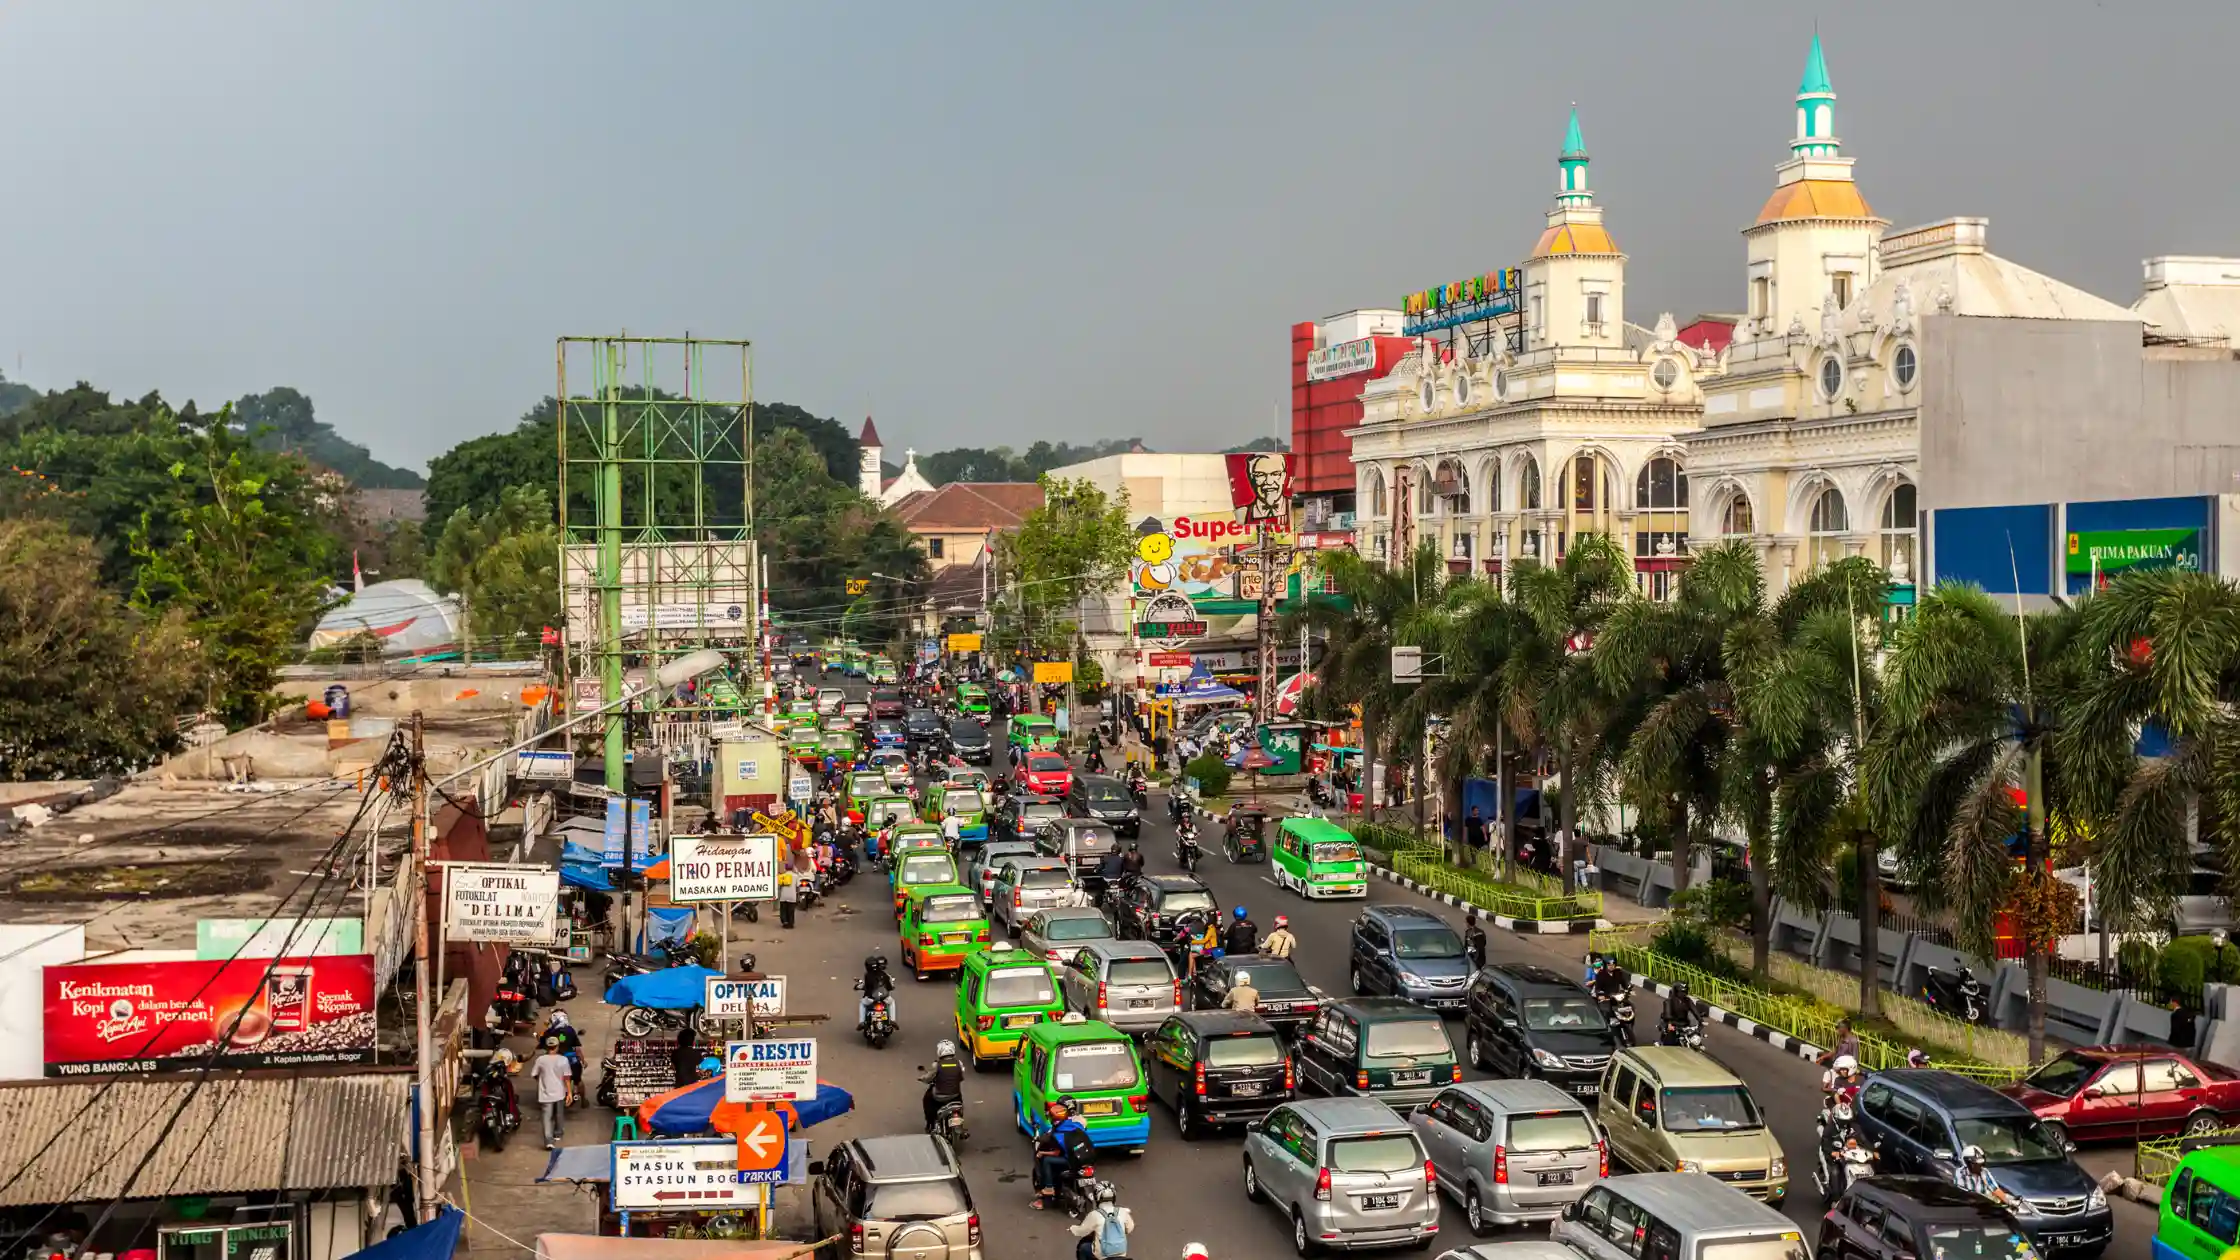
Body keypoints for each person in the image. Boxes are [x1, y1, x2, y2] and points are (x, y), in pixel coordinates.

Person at [1069, 1182, 1134, 1260]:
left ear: (1097, 1198)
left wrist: (1073, 1228)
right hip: (1121, 1253)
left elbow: (1082, 1231)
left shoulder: (1094, 1214)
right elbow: (1130, 1228)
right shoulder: (1122, 1212)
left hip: (1102, 1255)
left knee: (1083, 1248)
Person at [528, 1037, 573, 1150]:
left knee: (546, 1116)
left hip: (545, 1093)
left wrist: (541, 1081)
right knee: (559, 1114)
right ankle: (558, 1133)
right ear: (557, 1047)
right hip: (559, 1092)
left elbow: (534, 1074)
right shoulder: (563, 1060)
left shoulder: (540, 1060)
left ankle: (548, 1140)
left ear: (547, 1047)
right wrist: (569, 1093)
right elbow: (567, 1078)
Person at [920, 1040, 965, 1131]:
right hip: (955, 1096)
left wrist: (922, 1078)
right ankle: (959, 1119)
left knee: (927, 1099)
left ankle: (930, 1124)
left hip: (939, 1097)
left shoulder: (937, 1065)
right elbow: (961, 1078)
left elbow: (929, 1078)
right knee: (960, 1100)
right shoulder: (959, 1063)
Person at [1952, 1145, 2017, 1207]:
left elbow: (1994, 1189)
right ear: (1967, 1163)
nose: (1979, 1166)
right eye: (1975, 1164)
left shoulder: (1984, 1172)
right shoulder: (1960, 1173)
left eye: (1980, 1164)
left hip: (1986, 1204)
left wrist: (2008, 1202)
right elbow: (1961, 1192)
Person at [858, 954, 895, 1029]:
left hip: (870, 998)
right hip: (884, 998)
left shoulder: (867, 975)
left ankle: (861, 1022)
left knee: (862, 1004)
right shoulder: (884, 974)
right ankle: (892, 1020)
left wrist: (857, 987)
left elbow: (865, 986)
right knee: (892, 1002)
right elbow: (889, 986)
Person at [777, 864, 799, 929]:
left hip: (783, 896)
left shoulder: (782, 876)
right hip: (792, 896)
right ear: (792, 868)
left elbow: (779, 886)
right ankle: (791, 923)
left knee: (783, 910)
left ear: (785, 868)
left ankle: (785, 922)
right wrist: (797, 894)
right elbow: (798, 887)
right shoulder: (795, 876)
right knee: (791, 911)